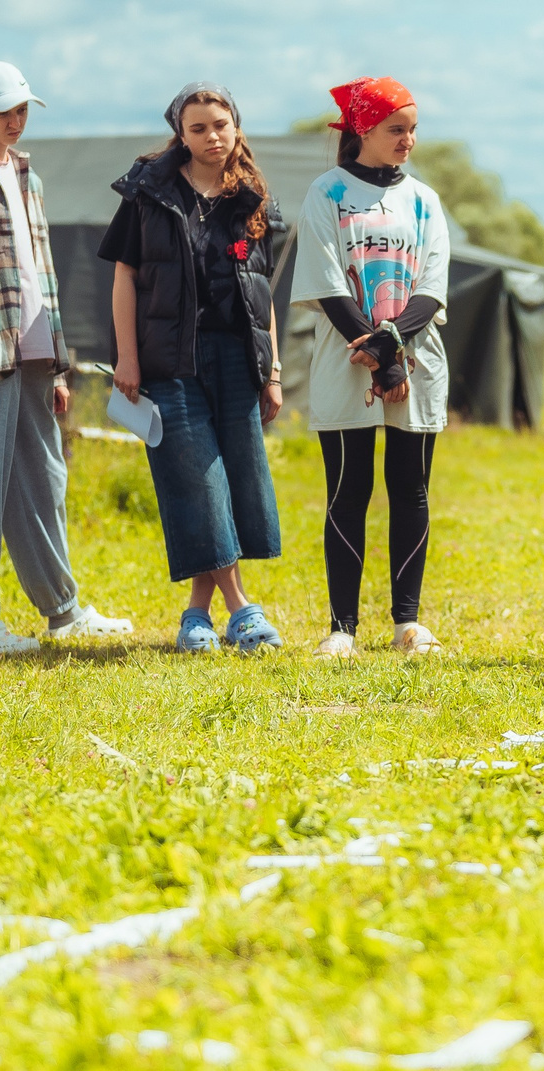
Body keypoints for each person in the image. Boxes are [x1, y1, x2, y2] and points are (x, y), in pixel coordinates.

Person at [0, 60, 132, 655]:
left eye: (22, 109)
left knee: (45, 482)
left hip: (36, 357)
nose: (16, 120)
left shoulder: (27, 177)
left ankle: (62, 611)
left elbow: (43, 279)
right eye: (5, 109)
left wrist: (58, 365)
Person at [100, 84, 285, 653]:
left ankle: (196, 616)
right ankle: (243, 609)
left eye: (221, 124)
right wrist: (126, 357)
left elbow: (263, 294)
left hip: (236, 360)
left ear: (236, 127)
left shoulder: (251, 198)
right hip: (168, 359)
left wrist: (272, 371)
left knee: (233, 481)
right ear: (180, 133)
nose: (212, 136)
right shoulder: (148, 193)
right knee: (199, 480)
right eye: (199, 127)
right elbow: (124, 278)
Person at [291, 76, 452, 658]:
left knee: (411, 490)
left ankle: (407, 622)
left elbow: (432, 289)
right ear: (363, 130)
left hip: (414, 361)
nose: (408, 139)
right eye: (396, 129)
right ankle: (342, 629)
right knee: (348, 490)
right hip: (346, 361)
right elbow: (327, 285)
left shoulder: (424, 199)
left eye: (412, 129)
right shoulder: (326, 192)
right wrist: (381, 359)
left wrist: (389, 350)